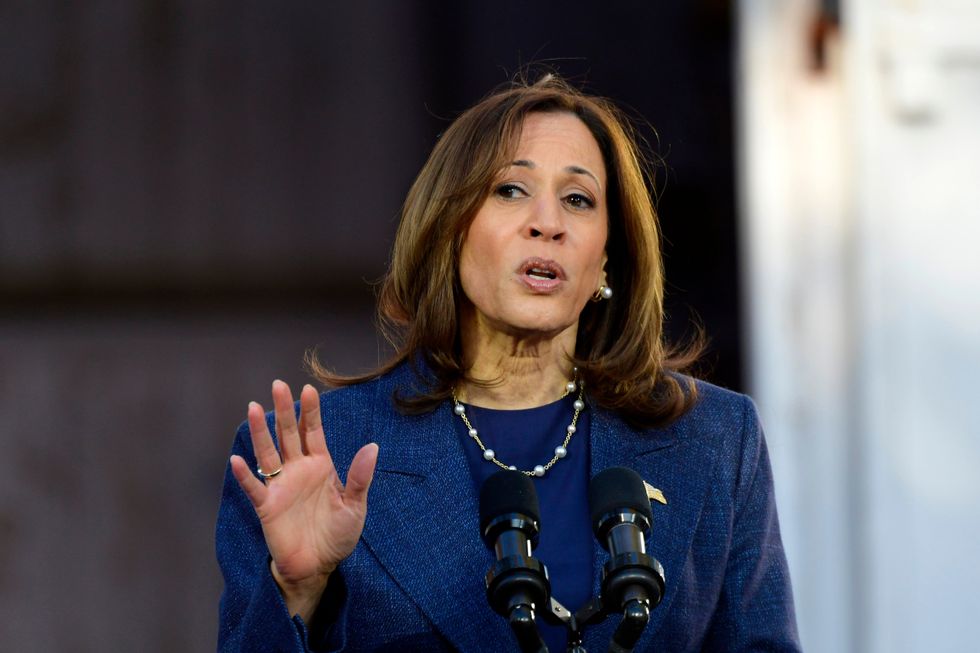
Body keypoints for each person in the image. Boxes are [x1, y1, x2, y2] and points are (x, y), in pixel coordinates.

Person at [215, 74, 801, 652]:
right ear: (450, 230)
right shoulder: (324, 454)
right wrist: (298, 589)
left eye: (578, 199)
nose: (547, 223)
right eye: (512, 190)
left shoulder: (714, 442)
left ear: (606, 259)